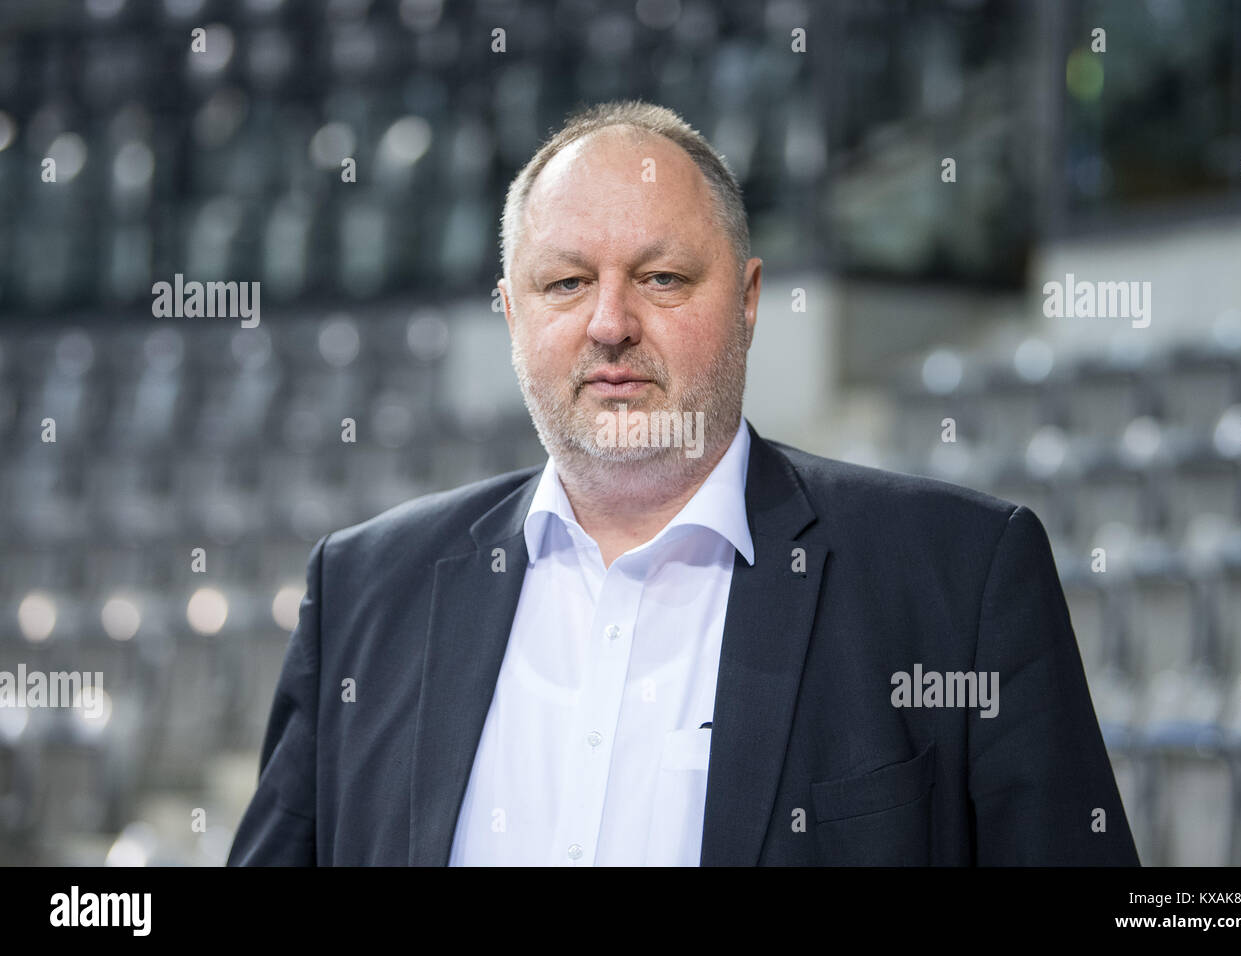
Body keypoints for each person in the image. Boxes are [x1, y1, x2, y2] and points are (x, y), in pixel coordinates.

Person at [228, 100, 1139, 866]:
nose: (610, 324)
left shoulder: (958, 579)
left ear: (746, 302)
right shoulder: (360, 593)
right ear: (510, 312)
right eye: (565, 283)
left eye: (661, 278)